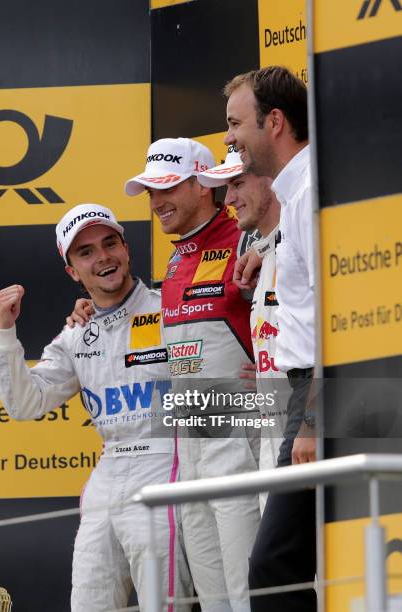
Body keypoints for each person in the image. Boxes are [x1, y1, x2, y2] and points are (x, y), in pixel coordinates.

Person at [0, 203, 192, 612]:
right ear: (72, 271)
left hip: (165, 466)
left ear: (126, 249)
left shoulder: (172, 309)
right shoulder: (76, 334)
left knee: (165, 605)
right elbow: (26, 403)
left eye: (110, 243)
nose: (103, 257)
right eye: (86, 252)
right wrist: (6, 334)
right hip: (106, 476)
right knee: (88, 602)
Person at [125, 137, 261, 612]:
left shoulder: (246, 237)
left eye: (168, 189)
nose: (157, 202)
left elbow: (290, 314)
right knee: (213, 594)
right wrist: (87, 313)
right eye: (151, 192)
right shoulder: (177, 255)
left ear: (205, 184)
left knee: (249, 590)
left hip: (238, 433)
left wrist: (274, 372)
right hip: (190, 441)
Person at [223, 66, 316, 611]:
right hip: (306, 399)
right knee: (285, 565)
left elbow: (334, 314)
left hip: (316, 400)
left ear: (275, 122)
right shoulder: (299, 191)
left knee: (273, 566)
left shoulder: (308, 191)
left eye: (236, 124)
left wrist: (310, 418)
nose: (230, 138)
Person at [198, 147, 290, 512]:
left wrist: (310, 423)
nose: (229, 199)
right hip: (276, 429)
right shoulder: (266, 256)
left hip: (303, 433)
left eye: (237, 184)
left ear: (271, 177)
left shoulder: (302, 245)